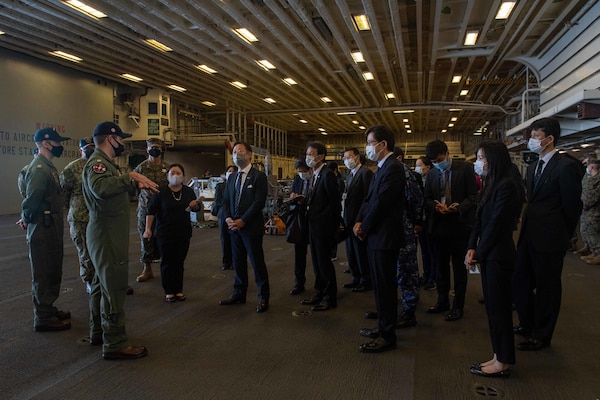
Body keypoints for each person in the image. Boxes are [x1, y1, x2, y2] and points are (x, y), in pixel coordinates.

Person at [82, 121, 158, 360]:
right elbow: (101, 188)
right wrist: (131, 176)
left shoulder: (105, 164)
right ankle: (114, 342)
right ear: (110, 139)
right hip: (107, 235)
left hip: (105, 232)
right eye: (121, 139)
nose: (123, 143)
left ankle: (98, 332)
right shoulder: (98, 164)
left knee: (99, 286)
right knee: (113, 287)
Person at [512, 118, 583, 351]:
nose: (532, 140)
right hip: (529, 235)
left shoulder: (566, 166)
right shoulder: (533, 166)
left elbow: (572, 206)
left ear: (549, 139)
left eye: (535, 135)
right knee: (520, 281)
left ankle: (542, 335)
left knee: (547, 289)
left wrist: (563, 234)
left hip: (551, 238)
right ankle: (527, 323)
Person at [465, 140, 523, 378]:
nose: (478, 163)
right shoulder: (493, 182)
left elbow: (497, 226)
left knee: (499, 309)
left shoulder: (508, 185)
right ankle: (498, 355)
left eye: (481, 158)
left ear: (494, 158)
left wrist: (477, 253)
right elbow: (480, 220)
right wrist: (471, 247)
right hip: (489, 254)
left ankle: (504, 360)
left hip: (499, 255)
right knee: (492, 307)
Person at [354, 125, 405, 353]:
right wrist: (359, 221)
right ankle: (383, 326)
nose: (367, 148)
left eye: (369, 142)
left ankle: (387, 335)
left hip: (385, 237)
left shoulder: (393, 168)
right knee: (379, 285)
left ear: (382, 144)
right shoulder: (381, 168)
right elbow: (368, 199)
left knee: (385, 286)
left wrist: (364, 226)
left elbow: (381, 203)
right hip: (376, 235)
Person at [18, 127, 71, 332]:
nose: (60, 145)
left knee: (52, 267)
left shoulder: (47, 166)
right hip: (42, 225)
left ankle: (48, 308)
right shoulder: (39, 168)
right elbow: (32, 199)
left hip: (51, 224)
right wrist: (26, 218)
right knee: (43, 269)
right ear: (47, 143)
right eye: (58, 142)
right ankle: (43, 317)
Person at [423, 139, 478, 322]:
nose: (438, 164)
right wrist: (435, 206)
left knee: (459, 268)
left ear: (447, 154)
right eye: (434, 162)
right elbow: (427, 198)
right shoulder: (431, 174)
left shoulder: (465, 169)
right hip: (438, 227)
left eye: (440, 159)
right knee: (440, 267)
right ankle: (442, 301)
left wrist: (457, 208)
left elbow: (473, 197)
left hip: (459, 225)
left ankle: (458, 306)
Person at [219, 142, 270, 313]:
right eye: (234, 152)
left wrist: (243, 220)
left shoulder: (258, 176)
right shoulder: (232, 177)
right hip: (233, 228)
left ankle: (263, 297)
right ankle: (239, 293)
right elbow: (226, 200)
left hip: (250, 228)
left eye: (239, 151)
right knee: (238, 262)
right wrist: (227, 218)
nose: (236, 154)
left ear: (249, 155)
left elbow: (258, 202)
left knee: (257, 262)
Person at [144, 164, 201, 302]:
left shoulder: (188, 191)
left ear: (183, 176)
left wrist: (196, 206)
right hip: (165, 233)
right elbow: (151, 211)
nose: (175, 175)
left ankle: (178, 290)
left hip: (183, 233)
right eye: (172, 172)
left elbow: (196, 209)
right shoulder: (160, 192)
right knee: (168, 262)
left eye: (178, 173)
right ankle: (169, 291)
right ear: (167, 176)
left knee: (179, 262)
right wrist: (148, 229)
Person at [300, 141, 341, 311]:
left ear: (321, 156)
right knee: (316, 262)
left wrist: (332, 227)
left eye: (311, 154)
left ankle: (330, 297)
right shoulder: (315, 175)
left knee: (324, 263)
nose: (308, 157)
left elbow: (334, 203)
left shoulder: (327, 175)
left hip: (323, 228)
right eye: (307, 153)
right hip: (313, 225)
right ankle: (319, 293)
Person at [60, 138, 96, 293]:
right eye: (87, 147)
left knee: (100, 250)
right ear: (81, 149)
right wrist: (73, 207)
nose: (91, 149)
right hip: (80, 217)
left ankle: (101, 279)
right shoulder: (71, 168)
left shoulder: (100, 166)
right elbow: (63, 193)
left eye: (93, 147)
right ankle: (88, 280)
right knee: (85, 252)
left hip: (98, 216)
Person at [393, 147, 423, 329]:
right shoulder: (385, 170)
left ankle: (409, 311)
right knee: (394, 271)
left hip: (405, 230)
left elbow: (415, 200)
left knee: (407, 271)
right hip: (392, 231)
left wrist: (416, 222)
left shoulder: (404, 173)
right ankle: (392, 308)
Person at [134, 138, 169, 282]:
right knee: (146, 237)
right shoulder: (141, 168)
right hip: (145, 208)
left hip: (163, 208)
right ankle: (147, 268)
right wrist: (140, 186)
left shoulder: (167, 167)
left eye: (157, 147)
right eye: (152, 147)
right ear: (147, 150)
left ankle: (168, 267)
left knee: (165, 237)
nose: (155, 150)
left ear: (161, 150)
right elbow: (133, 186)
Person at [342, 148, 373, 292]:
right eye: (345, 158)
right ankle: (356, 277)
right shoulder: (349, 176)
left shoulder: (365, 173)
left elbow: (367, 199)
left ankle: (365, 280)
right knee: (351, 251)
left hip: (358, 219)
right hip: (348, 219)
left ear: (357, 157)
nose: (347, 160)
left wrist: (360, 219)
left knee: (360, 252)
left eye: (349, 157)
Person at [287, 158, 312, 295]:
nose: (302, 173)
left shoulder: (316, 178)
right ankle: (299, 283)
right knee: (299, 254)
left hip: (313, 219)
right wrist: (294, 196)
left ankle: (321, 283)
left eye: (304, 171)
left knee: (317, 254)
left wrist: (306, 199)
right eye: (300, 171)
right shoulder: (297, 179)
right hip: (299, 219)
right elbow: (293, 191)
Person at [415, 156, 437, 291]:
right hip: (422, 221)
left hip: (431, 221)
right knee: (424, 251)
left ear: (428, 167)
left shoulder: (433, 180)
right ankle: (426, 275)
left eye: (419, 165)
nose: (417, 168)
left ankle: (434, 278)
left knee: (432, 250)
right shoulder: (418, 181)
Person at [212, 165, 238, 270]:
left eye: (232, 171)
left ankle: (234, 261)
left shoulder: (237, 185)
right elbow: (218, 200)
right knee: (224, 239)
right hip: (223, 215)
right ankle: (226, 262)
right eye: (228, 171)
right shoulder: (220, 186)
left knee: (234, 239)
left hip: (235, 215)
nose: (230, 173)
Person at [578, 160, 600, 265]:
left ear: (591, 167)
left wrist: (583, 204)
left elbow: (591, 198)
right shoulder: (589, 177)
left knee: (593, 233)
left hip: (594, 212)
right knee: (586, 231)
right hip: (586, 210)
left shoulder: (597, 181)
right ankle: (593, 251)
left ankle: (598, 253)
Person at [327, 160, 344, 261]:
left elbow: (337, 196)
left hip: (335, 209)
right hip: (329, 210)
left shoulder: (339, 181)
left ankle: (333, 253)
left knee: (334, 232)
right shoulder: (330, 179)